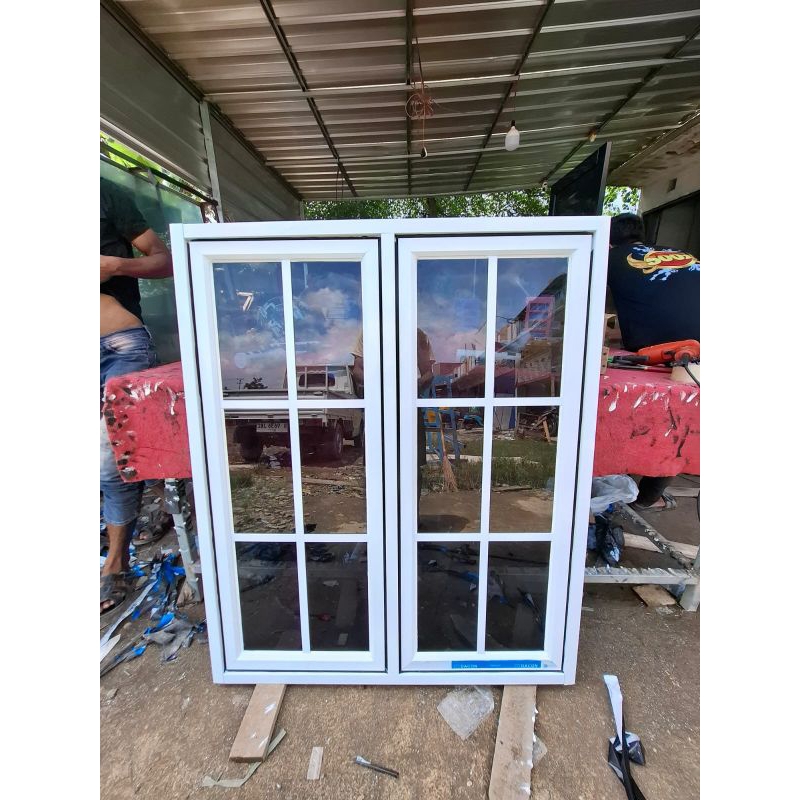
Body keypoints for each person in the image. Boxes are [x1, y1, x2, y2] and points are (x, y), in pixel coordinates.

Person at [101, 178, 172, 613]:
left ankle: (116, 564)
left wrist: (114, 266)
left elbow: (164, 260)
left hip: (117, 344)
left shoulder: (103, 194)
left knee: (111, 457)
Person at [607, 213, 700, 511]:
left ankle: (637, 492)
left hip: (659, 350)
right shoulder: (682, 255)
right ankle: (648, 496)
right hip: (699, 353)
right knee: (684, 419)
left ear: (608, 241)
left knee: (662, 416)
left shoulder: (610, 259)